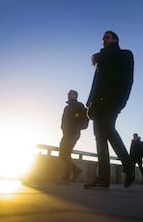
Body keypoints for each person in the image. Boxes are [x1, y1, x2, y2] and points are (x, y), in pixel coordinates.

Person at [84, 31, 135, 189]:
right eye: (102, 38)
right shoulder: (101, 59)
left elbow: (128, 80)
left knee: (108, 129)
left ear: (115, 39)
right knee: (99, 138)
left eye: (107, 37)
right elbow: (96, 82)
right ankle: (103, 179)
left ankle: (129, 166)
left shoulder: (125, 55)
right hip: (97, 103)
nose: (103, 40)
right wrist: (89, 102)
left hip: (113, 100)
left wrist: (122, 101)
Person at [58, 90, 88, 184]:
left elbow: (85, 119)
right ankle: (72, 173)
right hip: (66, 133)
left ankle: (72, 173)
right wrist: (63, 128)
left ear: (76, 96)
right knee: (65, 153)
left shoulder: (79, 106)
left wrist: (77, 127)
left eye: (72, 94)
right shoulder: (66, 108)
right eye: (68, 94)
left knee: (64, 153)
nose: (69, 95)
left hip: (74, 133)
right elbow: (63, 120)